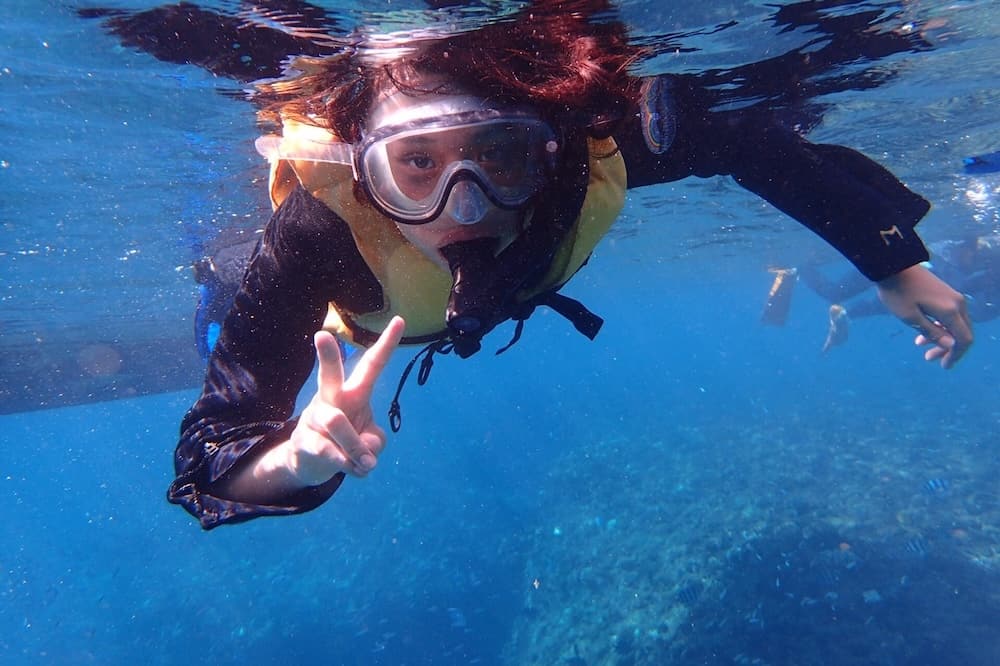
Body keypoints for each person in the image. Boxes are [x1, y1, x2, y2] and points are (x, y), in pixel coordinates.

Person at [96, 1, 971, 528]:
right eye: (418, 167)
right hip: (349, 320)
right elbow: (206, 457)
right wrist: (294, 460)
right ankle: (211, 276)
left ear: (545, 152)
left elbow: (756, 144)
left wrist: (893, 256)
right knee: (223, 297)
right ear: (366, 171)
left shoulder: (582, 160)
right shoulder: (319, 232)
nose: (466, 206)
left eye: (499, 160)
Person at [768, 232, 999, 352]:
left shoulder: (983, 266)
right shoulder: (972, 252)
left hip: (895, 265)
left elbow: (890, 304)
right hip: (890, 257)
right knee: (835, 292)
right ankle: (798, 266)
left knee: (841, 295)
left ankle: (805, 273)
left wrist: (847, 314)